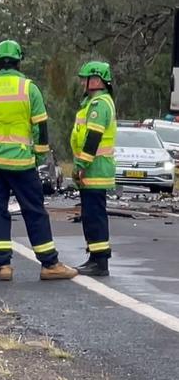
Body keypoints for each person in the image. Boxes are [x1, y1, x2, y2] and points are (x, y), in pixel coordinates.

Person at [0, 39, 77, 281]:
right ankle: (49, 264)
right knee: (34, 211)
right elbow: (40, 126)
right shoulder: (29, 89)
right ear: (19, 61)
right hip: (22, 163)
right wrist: (38, 154)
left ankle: (3, 267)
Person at [70, 61, 117, 276]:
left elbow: (93, 138)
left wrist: (81, 164)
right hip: (93, 169)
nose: (82, 82)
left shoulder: (99, 105)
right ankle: (95, 257)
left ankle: (99, 262)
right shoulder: (93, 103)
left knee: (95, 216)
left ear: (96, 80)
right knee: (91, 215)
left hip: (95, 170)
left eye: (85, 78)